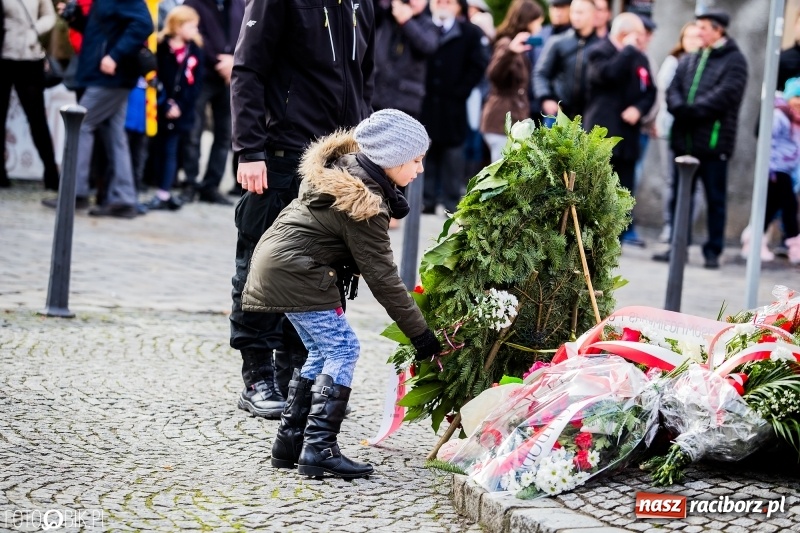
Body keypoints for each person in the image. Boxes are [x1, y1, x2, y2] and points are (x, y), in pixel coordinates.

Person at [241, 109, 442, 479]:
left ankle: (290, 442)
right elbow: (383, 278)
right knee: (343, 348)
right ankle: (320, 449)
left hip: (281, 267)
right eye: (415, 160)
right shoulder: (361, 201)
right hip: (298, 273)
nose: (420, 170)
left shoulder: (345, 172)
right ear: (390, 158)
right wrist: (422, 335)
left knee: (321, 350)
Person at [230, 0, 375, 419]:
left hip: (340, 164)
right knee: (259, 264)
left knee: (322, 270)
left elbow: (365, 79)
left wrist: (364, 156)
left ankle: (300, 374)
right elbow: (248, 70)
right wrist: (249, 149)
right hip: (281, 153)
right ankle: (257, 376)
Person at [654, 10, 748, 269]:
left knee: (715, 198)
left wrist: (691, 111)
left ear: (718, 31)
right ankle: (677, 246)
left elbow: (726, 95)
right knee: (679, 196)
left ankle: (712, 251)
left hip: (713, 143)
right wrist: (680, 107)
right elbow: (673, 88)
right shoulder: (691, 58)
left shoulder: (735, 61)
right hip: (684, 140)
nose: (699, 33)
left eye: (704, 28)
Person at [56, 0, 154, 218]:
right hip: (106, 75)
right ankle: (123, 198)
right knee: (114, 133)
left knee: (79, 124)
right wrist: (75, 19)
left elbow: (143, 24)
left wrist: (114, 55)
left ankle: (75, 193)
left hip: (110, 76)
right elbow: (101, 31)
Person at [584, 13, 655, 245]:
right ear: (624, 35)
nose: (642, 41)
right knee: (598, 184)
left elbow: (650, 90)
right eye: (638, 36)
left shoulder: (638, 57)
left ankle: (620, 234)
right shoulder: (599, 50)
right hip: (604, 130)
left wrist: (639, 108)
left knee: (625, 184)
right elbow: (607, 75)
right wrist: (626, 51)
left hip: (629, 133)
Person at [420, 0, 487, 214]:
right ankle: (426, 200)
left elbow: (478, 65)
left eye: (449, 2)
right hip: (426, 103)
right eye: (439, 1)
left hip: (453, 105)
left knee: (453, 155)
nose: (443, 6)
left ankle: (450, 201)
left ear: (459, 6)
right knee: (424, 152)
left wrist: (461, 90)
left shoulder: (470, 33)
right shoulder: (422, 28)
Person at [180, 0, 244, 206]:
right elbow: (195, 36)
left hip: (229, 78)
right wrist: (220, 62)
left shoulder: (239, 4)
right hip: (202, 75)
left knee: (225, 134)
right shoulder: (194, 3)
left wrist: (234, 60)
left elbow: (246, 33)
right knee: (193, 132)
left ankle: (211, 186)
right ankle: (190, 183)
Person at [146, 5, 204, 211]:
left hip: (181, 113)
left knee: (171, 151)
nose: (196, 31)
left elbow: (196, 84)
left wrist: (179, 106)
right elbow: (156, 77)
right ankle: (156, 187)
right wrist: (164, 103)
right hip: (159, 110)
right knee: (156, 149)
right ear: (178, 26)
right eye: (192, 26)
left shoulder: (195, 51)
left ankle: (164, 192)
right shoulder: (161, 48)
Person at [0, 0, 59, 191]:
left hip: (29, 56)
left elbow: (50, 16)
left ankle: (51, 173)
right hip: (3, 55)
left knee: (37, 119)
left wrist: (35, 31)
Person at [653, 21, 703, 244]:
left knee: (697, 183)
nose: (692, 41)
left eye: (696, 36)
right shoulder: (673, 61)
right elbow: (662, 93)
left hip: (696, 131)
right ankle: (669, 226)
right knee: (671, 180)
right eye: (688, 37)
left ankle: (685, 230)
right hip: (669, 128)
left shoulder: (708, 64)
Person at [740, 78, 800, 262]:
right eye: (797, 96)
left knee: (769, 209)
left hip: (786, 170)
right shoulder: (779, 115)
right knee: (789, 206)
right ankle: (795, 245)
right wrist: (770, 168)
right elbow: (768, 142)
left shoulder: (795, 119)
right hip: (776, 170)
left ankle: (752, 242)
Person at [480, 0, 543, 162]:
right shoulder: (506, 44)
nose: (540, 28)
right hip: (501, 121)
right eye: (538, 22)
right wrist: (510, 52)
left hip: (510, 122)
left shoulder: (518, 47)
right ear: (528, 21)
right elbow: (494, 74)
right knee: (501, 176)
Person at [533, 0, 598, 120]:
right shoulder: (557, 42)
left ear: (593, 14)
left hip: (590, 117)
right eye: (573, 12)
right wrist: (546, 98)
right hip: (558, 114)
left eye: (580, 12)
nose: (575, 17)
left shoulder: (601, 46)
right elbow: (540, 73)